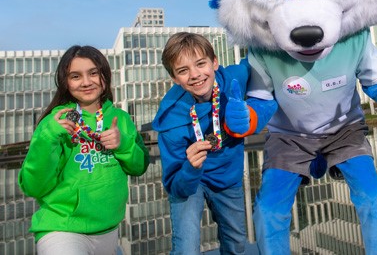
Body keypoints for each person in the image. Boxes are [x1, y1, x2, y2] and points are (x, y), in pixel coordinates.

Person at [18, 45, 150, 255]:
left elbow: (140, 166)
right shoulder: (55, 121)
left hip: (109, 229)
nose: (87, 82)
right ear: (65, 82)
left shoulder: (121, 118)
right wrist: (48, 137)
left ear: (104, 76)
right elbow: (34, 187)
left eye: (93, 73)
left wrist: (123, 143)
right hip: (62, 228)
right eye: (76, 76)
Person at [152, 32, 275, 255]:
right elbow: (175, 185)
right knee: (186, 249)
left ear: (215, 62)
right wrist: (190, 167)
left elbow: (263, 57)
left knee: (237, 244)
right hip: (190, 182)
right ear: (174, 78)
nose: (195, 75)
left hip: (228, 179)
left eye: (201, 64)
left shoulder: (234, 78)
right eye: (183, 70)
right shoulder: (170, 121)